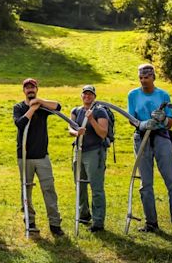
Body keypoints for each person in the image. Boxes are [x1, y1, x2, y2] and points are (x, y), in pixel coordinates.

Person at [128, 63, 172, 236]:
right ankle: (151, 222)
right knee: (146, 183)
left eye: (146, 77)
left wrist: (162, 120)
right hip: (142, 139)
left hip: (162, 138)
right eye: (140, 77)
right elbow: (131, 118)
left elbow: (170, 121)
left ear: (153, 77)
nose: (143, 80)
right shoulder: (133, 95)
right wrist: (141, 123)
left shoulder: (163, 95)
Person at [13, 78, 64, 236]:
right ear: (23, 90)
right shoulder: (19, 107)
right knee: (26, 189)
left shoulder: (43, 107)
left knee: (49, 189)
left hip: (42, 156)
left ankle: (55, 223)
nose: (30, 90)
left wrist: (39, 102)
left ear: (37, 89)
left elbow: (58, 107)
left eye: (32, 87)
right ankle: (30, 220)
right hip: (24, 157)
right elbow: (20, 124)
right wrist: (32, 109)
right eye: (27, 88)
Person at [69, 85, 109, 232]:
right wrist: (76, 132)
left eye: (90, 94)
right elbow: (70, 129)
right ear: (81, 95)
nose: (87, 96)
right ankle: (84, 214)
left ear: (94, 96)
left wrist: (91, 120)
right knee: (79, 184)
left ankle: (98, 222)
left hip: (94, 152)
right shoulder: (76, 111)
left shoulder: (100, 111)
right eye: (85, 94)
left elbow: (103, 133)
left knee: (96, 187)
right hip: (78, 151)